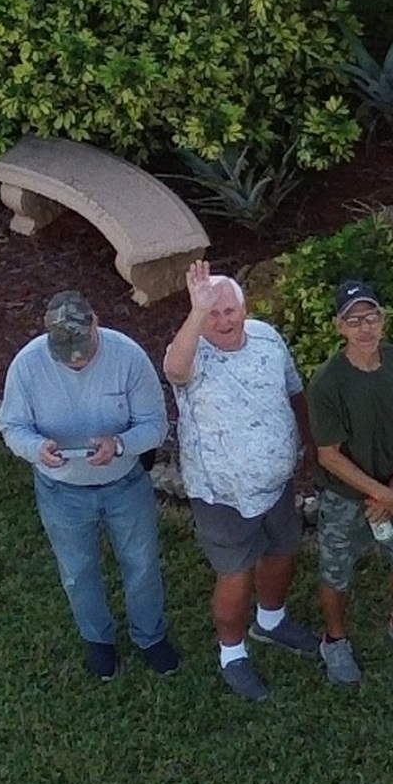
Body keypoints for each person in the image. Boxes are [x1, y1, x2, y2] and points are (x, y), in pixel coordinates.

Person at [164, 261, 320, 702]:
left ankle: (271, 621)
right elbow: (175, 370)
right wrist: (197, 312)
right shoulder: (191, 354)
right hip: (223, 495)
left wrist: (308, 446)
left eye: (229, 310)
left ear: (244, 308)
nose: (223, 320)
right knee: (235, 575)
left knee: (284, 551)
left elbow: (293, 391)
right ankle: (232, 654)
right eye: (213, 314)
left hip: (277, 485)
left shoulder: (267, 339)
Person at [0, 291, 175, 681]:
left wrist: (120, 445)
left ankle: (150, 636)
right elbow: (12, 426)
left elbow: (155, 425)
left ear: (96, 322)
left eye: (81, 345)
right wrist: (35, 448)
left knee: (142, 563)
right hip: (61, 489)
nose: (76, 358)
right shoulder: (27, 366)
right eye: (66, 349)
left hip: (125, 481)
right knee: (78, 569)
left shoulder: (128, 357)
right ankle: (98, 639)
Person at [305, 281, 393, 686]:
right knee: (335, 570)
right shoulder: (328, 382)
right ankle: (334, 639)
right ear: (339, 327)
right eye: (354, 320)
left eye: (372, 317)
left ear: (383, 320)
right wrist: (380, 495)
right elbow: (328, 454)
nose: (365, 328)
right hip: (346, 496)